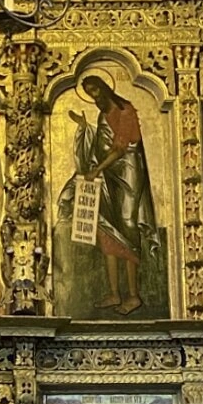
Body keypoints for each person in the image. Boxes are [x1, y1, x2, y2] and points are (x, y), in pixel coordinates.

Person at [59, 75, 158, 314]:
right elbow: (100, 143)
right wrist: (84, 128)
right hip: (107, 174)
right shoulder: (103, 114)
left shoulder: (125, 111)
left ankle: (133, 295)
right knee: (106, 230)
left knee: (127, 226)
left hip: (128, 174)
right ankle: (114, 293)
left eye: (95, 91)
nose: (94, 97)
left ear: (104, 89)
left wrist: (97, 170)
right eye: (89, 93)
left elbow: (120, 148)